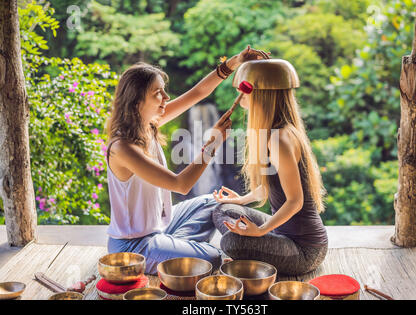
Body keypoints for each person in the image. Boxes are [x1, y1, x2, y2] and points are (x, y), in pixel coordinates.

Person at [104, 46, 270, 274]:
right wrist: (212, 144)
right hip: (134, 246)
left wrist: (234, 62)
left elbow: (198, 93)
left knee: (212, 202)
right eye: (158, 93)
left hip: (161, 228)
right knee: (212, 257)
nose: (166, 98)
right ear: (136, 101)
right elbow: (180, 185)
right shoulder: (122, 148)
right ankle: (180, 252)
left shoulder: (148, 125)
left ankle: (177, 250)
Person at [212, 59, 328, 275]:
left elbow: (295, 201)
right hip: (283, 232)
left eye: (245, 92)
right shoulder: (274, 133)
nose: (240, 96)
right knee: (223, 210)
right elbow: (272, 186)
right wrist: (240, 200)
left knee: (230, 242)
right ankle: (257, 254)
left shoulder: (280, 139)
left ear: (262, 94)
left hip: (304, 250)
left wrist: (261, 231)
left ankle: (255, 258)